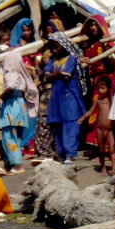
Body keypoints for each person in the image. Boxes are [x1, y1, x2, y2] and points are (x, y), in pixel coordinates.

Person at [0, 23, 39, 174]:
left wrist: (2, 95)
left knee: (9, 137)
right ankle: (8, 165)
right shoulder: (22, 74)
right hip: (20, 106)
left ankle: (17, 165)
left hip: (11, 107)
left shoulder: (11, 73)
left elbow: (9, 87)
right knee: (14, 135)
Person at [44, 32, 86, 165]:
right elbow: (46, 75)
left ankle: (70, 153)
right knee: (58, 124)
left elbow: (66, 76)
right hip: (57, 96)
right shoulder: (52, 60)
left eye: (57, 46)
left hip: (69, 94)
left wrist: (54, 74)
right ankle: (61, 152)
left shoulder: (71, 59)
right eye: (52, 47)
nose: (55, 49)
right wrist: (57, 74)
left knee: (71, 123)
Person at [79, 76, 115, 175]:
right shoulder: (98, 101)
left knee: (112, 149)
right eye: (99, 88)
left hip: (110, 130)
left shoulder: (112, 100)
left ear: (109, 88)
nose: (100, 90)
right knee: (101, 150)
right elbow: (90, 111)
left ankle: (114, 168)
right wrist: (83, 118)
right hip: (100, 129)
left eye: (103, 88)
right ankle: (103, 167)